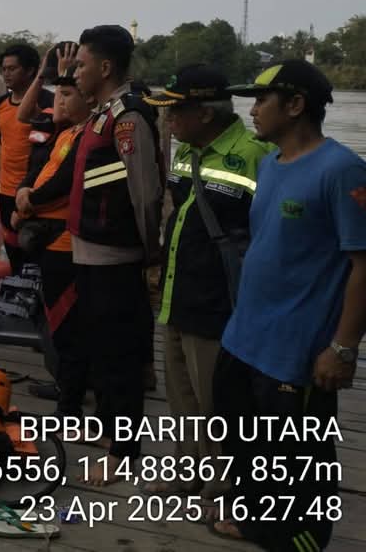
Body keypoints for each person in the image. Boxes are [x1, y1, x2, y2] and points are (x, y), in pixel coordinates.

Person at [210, 60, 366, 549]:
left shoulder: (341, 170)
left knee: (299, 457)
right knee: (244, 441)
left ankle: (302, 538)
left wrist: (343, 348)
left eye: (262, 100)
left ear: (296, 105)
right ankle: (256, 518)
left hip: (296, 347)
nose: (252, 110)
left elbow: (363, 265)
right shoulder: (270, 164)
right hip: (245, 335)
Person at [140, 64, 272, 505]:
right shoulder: (185, 152)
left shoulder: (255, 155)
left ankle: (223, 487)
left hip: (221, 302)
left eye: (175, 112)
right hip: (177, 293)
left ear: (206, 113)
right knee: (181, 396)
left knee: (216, 399)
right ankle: (188, 471)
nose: (168, 120)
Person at [69, 25, 163, 486]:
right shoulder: (100, 115)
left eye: (81, 64)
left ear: (105, 67)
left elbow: (146, 194)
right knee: (100, 350)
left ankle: (124, 453)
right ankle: (110, 432)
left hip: (116, 257)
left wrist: (150, 257)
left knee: (120, 357)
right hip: (89, 253)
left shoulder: (129, 118)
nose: (75, 73)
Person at [12, 44, 92, 420]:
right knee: (56, 321)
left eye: (67, 94)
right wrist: (23, 193)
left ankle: (70, 405)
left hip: (64, 240)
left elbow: (62, 183)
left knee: (66, 322)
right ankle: (65, 388)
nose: (59, 100)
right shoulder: (65, 134)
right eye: (57, 94)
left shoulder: (86, 135)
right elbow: (40, 170)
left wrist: (28, 202)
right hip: (47, 235)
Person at [0, 44, 54, 271]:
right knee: (13, 251)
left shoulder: (49, 103)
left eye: (12, 68)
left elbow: (50, 151)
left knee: (35, 253)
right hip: (5, 191)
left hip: (34, 192)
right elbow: (5, 142)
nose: (6, 73)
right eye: (4, 69)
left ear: (30, 71)